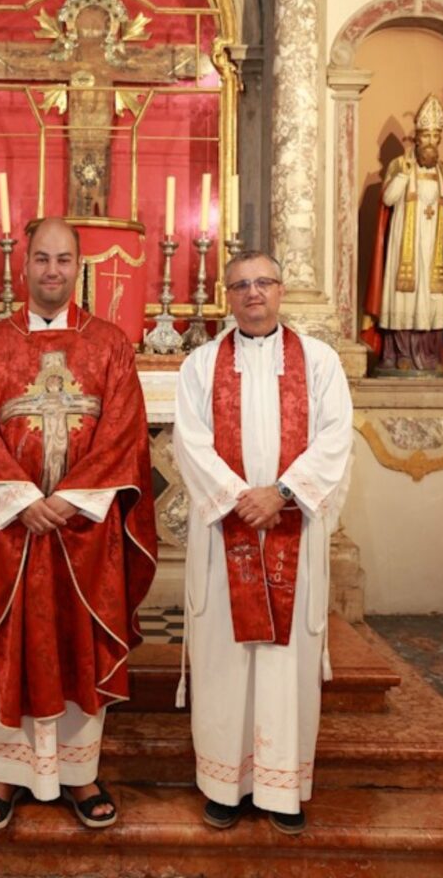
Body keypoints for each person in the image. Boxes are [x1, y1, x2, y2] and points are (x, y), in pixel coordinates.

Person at [0, 216, 157, 831]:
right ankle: (4, 770)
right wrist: (22, 500)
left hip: (83, 532)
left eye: (63, 259)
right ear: (24, 265)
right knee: (10, 639)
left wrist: (66, 500)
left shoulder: (110, 344)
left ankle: (79, 770)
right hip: (11, 529)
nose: (52, 271)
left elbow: (123, 433)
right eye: (42, 259)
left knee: (78, 640)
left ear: (79, 266)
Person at [173, 250, 352, 835]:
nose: (253, 293)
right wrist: (238, 498)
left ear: (281, 290)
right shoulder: (201, 364)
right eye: (241, 285)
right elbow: (190, 442)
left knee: (285, 662)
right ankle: (224, 784)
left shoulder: (319, 362)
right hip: (225, 530)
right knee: (225, 661)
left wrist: (281, 493)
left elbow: (335, 438)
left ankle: (282, 787)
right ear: (227, 296)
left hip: (291, 526)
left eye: (264, 283)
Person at [362, 93, 443, 374]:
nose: (432, 142)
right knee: (404, 297)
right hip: (406, 247)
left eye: (436, 137)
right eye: (427, 136)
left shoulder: (442, 170)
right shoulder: (400, 165)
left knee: (431, 298)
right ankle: (398, 354)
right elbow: (388, 199)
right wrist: (404, 175)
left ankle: (428, 355)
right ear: (417, 138)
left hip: (433, 248)